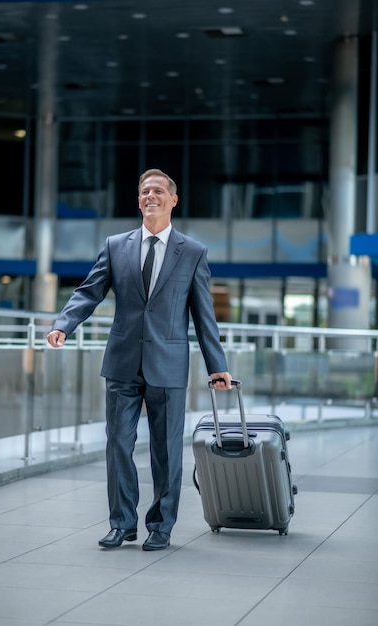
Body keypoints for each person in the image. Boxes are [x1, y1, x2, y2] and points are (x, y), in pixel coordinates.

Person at [47, 168, 232, 551]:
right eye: (145, 191)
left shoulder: (193, 253)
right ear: (139, 200)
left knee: (166, 452)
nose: (151, 196)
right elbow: (89, 291)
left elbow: (204, 315)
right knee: (118, 443)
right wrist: (65, 324)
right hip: (122, 362)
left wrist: (217, 365)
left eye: (159, 191)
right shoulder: (116, 245)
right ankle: (122, 523)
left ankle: (161, 526)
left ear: (173, 200)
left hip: (168, 365)